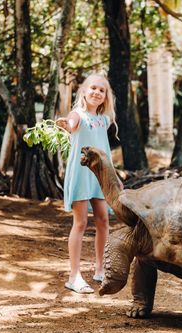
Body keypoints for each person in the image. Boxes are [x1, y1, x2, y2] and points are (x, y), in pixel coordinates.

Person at [56, 72, 119, 294]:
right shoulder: (78, 115)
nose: (97, 93)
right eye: (93, 88)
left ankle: (100, 268)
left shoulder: (104, 120)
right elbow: (71, 123)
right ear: (84, 91)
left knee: (103, 220)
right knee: (80, 223)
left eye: (102, 90)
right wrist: (66, 123)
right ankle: (74, 276)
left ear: (106, 96)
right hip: (81, 174)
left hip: (99, 176)